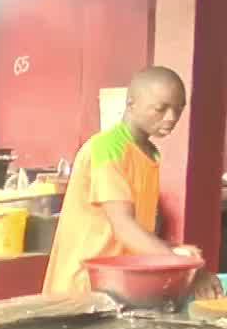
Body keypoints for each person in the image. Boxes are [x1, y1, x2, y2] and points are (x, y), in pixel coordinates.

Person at [44, 66, 222, 298]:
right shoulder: (107, 148)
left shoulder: (148, 153)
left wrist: (172, 251)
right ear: (131, 104)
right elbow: (124, 228)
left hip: (118, 286)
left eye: (179, 109)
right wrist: (192, 271)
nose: (171, 117)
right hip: (84, 287)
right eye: (161, 108)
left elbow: (136, 233)